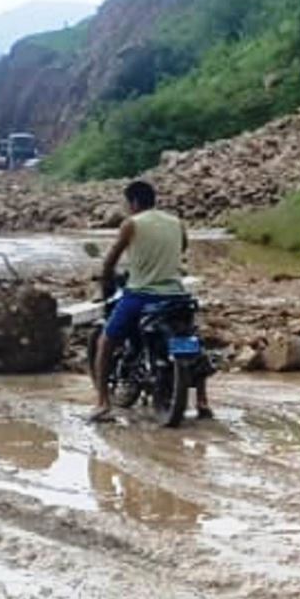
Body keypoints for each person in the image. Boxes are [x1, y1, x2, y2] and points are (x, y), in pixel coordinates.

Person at [90, 180, 211, 423]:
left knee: (106, 340)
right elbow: (182, 248)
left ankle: (102, 402)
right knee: (189, 340)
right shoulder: (177, 223)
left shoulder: (131, 224)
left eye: (127, 203)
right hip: (176, 295)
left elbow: (110, 260)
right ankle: (202, 400)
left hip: (141, 295)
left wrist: (105, 282)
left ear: (134, 202)